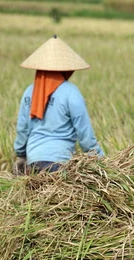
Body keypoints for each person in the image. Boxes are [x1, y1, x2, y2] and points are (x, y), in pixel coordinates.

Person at [13, 35, 104, 175]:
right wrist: (101, 160)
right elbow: (85, 135)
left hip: (34, 161)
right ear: (66, 70)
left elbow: (22, 128)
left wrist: (20, 155)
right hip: (60, 163)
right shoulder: (71, 92)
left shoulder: (29, 92)